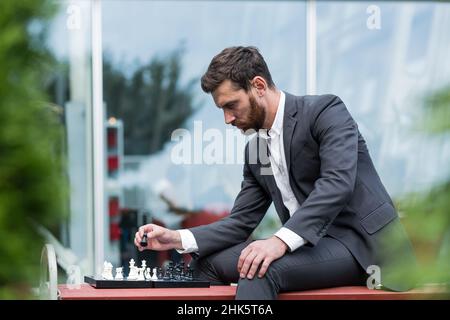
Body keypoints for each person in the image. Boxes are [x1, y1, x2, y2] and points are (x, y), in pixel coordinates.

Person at [135, 46, 417, 299]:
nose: (227, 119)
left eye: (231, 105)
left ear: (258, 86)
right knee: (205, 263)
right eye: (222, 109)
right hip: (310, 248)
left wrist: (279, 241)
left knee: (260, 269)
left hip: (362, 247)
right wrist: (176, 238)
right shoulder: (256, 149)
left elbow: (336, 184)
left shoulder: (325, 111)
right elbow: (241, 222)